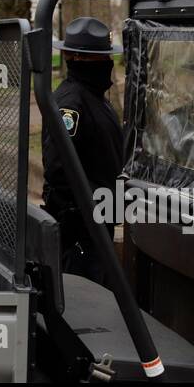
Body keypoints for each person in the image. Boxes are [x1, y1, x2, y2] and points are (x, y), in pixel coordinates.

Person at [41, 16, 124, 284]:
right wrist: (97, 204)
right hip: (82, 228)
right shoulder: (71, 103)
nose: (105, 63)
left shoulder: (94, 97)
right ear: (75, 58)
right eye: (97, 57)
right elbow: (58, 169)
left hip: (98, 220)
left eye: (105, 56)